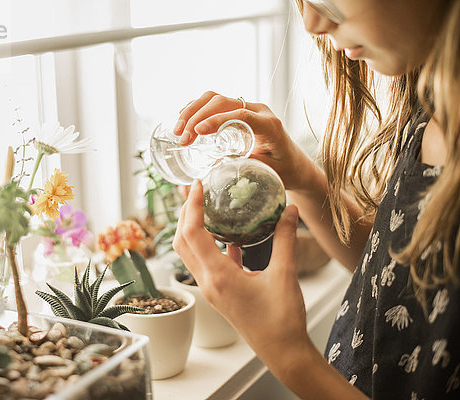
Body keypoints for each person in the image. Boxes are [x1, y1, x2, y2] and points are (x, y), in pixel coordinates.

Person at [172, 0, 460, 398]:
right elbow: (400, 276)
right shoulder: (432, 108)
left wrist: (287, 352)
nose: (310, 22)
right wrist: (304, 179)